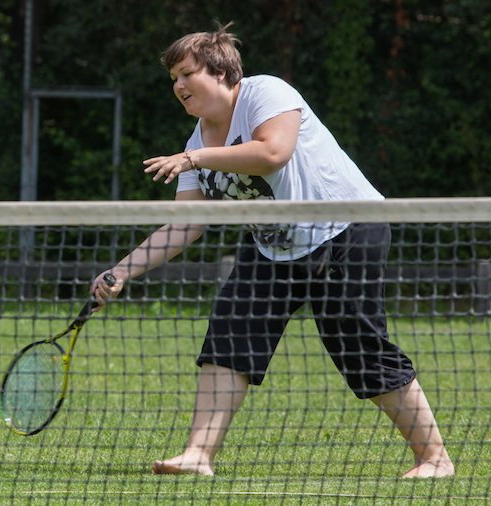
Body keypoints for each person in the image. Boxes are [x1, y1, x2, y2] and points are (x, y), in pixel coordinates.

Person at [90, 22, 454, 479]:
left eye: (187, 73)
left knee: (359, 348)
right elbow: (187, 223)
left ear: (221, 73)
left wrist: (194, 159)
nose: (179, 86)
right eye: (173, 78)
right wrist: (122, 271)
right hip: (273, 249)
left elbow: (272, 152)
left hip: (345, 230)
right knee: (229, 334)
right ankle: (198, 455)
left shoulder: (265, 93)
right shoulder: (195, 144)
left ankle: (434, 458)